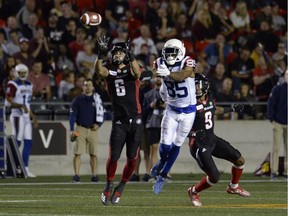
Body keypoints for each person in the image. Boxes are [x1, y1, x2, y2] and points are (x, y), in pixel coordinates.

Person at [95, 37, 150, 205]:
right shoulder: (109, 68)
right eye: (115, 52)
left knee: (132, 158)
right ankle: (109, 184)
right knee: (114, 157)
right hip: (119, 120)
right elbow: (100, 72)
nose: (117, 55)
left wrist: (130, 54)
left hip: (136, 120)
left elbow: (137, 74)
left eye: (120, 52)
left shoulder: (132, 66)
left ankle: (121, 186)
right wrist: (101, 55)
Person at [187, 73, 250, 207]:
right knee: (214, 176)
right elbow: (178, 124)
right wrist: (191, 133)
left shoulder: (210, 97)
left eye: (197, 85)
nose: (196, 88)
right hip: (198, 144)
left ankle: (233, 186)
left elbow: (215, 109)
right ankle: (194, 191)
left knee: (239, 160)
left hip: (212, 139)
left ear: (205, 85)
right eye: (194, 86)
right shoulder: (188, 103)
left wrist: (231, 109)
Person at [151, 38, 197, 194]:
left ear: (181, 52)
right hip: (171, 109)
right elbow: (151, 73)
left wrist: (169, 73)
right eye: (168, 52)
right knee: (164, 145)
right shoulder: (158, 62)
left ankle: (162, 176)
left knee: (177, 144)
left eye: (173, 52)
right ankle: (162, 162)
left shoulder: (188, 61)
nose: (170, 55)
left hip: (189, 111)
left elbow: (185, 74)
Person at [5, 63, 38, 178]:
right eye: (20, 72)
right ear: (16, 73)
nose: (23, 74)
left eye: (24, 72)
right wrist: (19, 106)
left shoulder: (29, 84)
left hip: (25, 116)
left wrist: (32, 116)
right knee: (17, 142)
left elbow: (27, 104)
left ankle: (25, 168)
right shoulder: (12, 84)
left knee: (28, 142)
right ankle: (9, 166)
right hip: (17, 116)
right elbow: (8, 101)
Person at [69, 78, 104, 183]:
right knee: (77, 153)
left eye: (89, 85)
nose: (87, 87)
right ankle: (76, 175)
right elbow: (72, 116)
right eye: (85, 85)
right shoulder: (78, 100)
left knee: (93, 154)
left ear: (93, 87)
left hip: (93, 129)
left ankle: (94, 175)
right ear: (82, 87)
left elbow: (103, 114)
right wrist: (71, 130)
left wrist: (99, 125)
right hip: (80, 128)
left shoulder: (97, 100)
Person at [267, 69, 288, 180]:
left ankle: (286, 172)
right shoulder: (278, 89)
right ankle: (274, 171)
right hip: (278, 122)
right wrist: (272, 119)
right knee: (276, 148)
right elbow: (271, 104)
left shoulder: (278, 88)